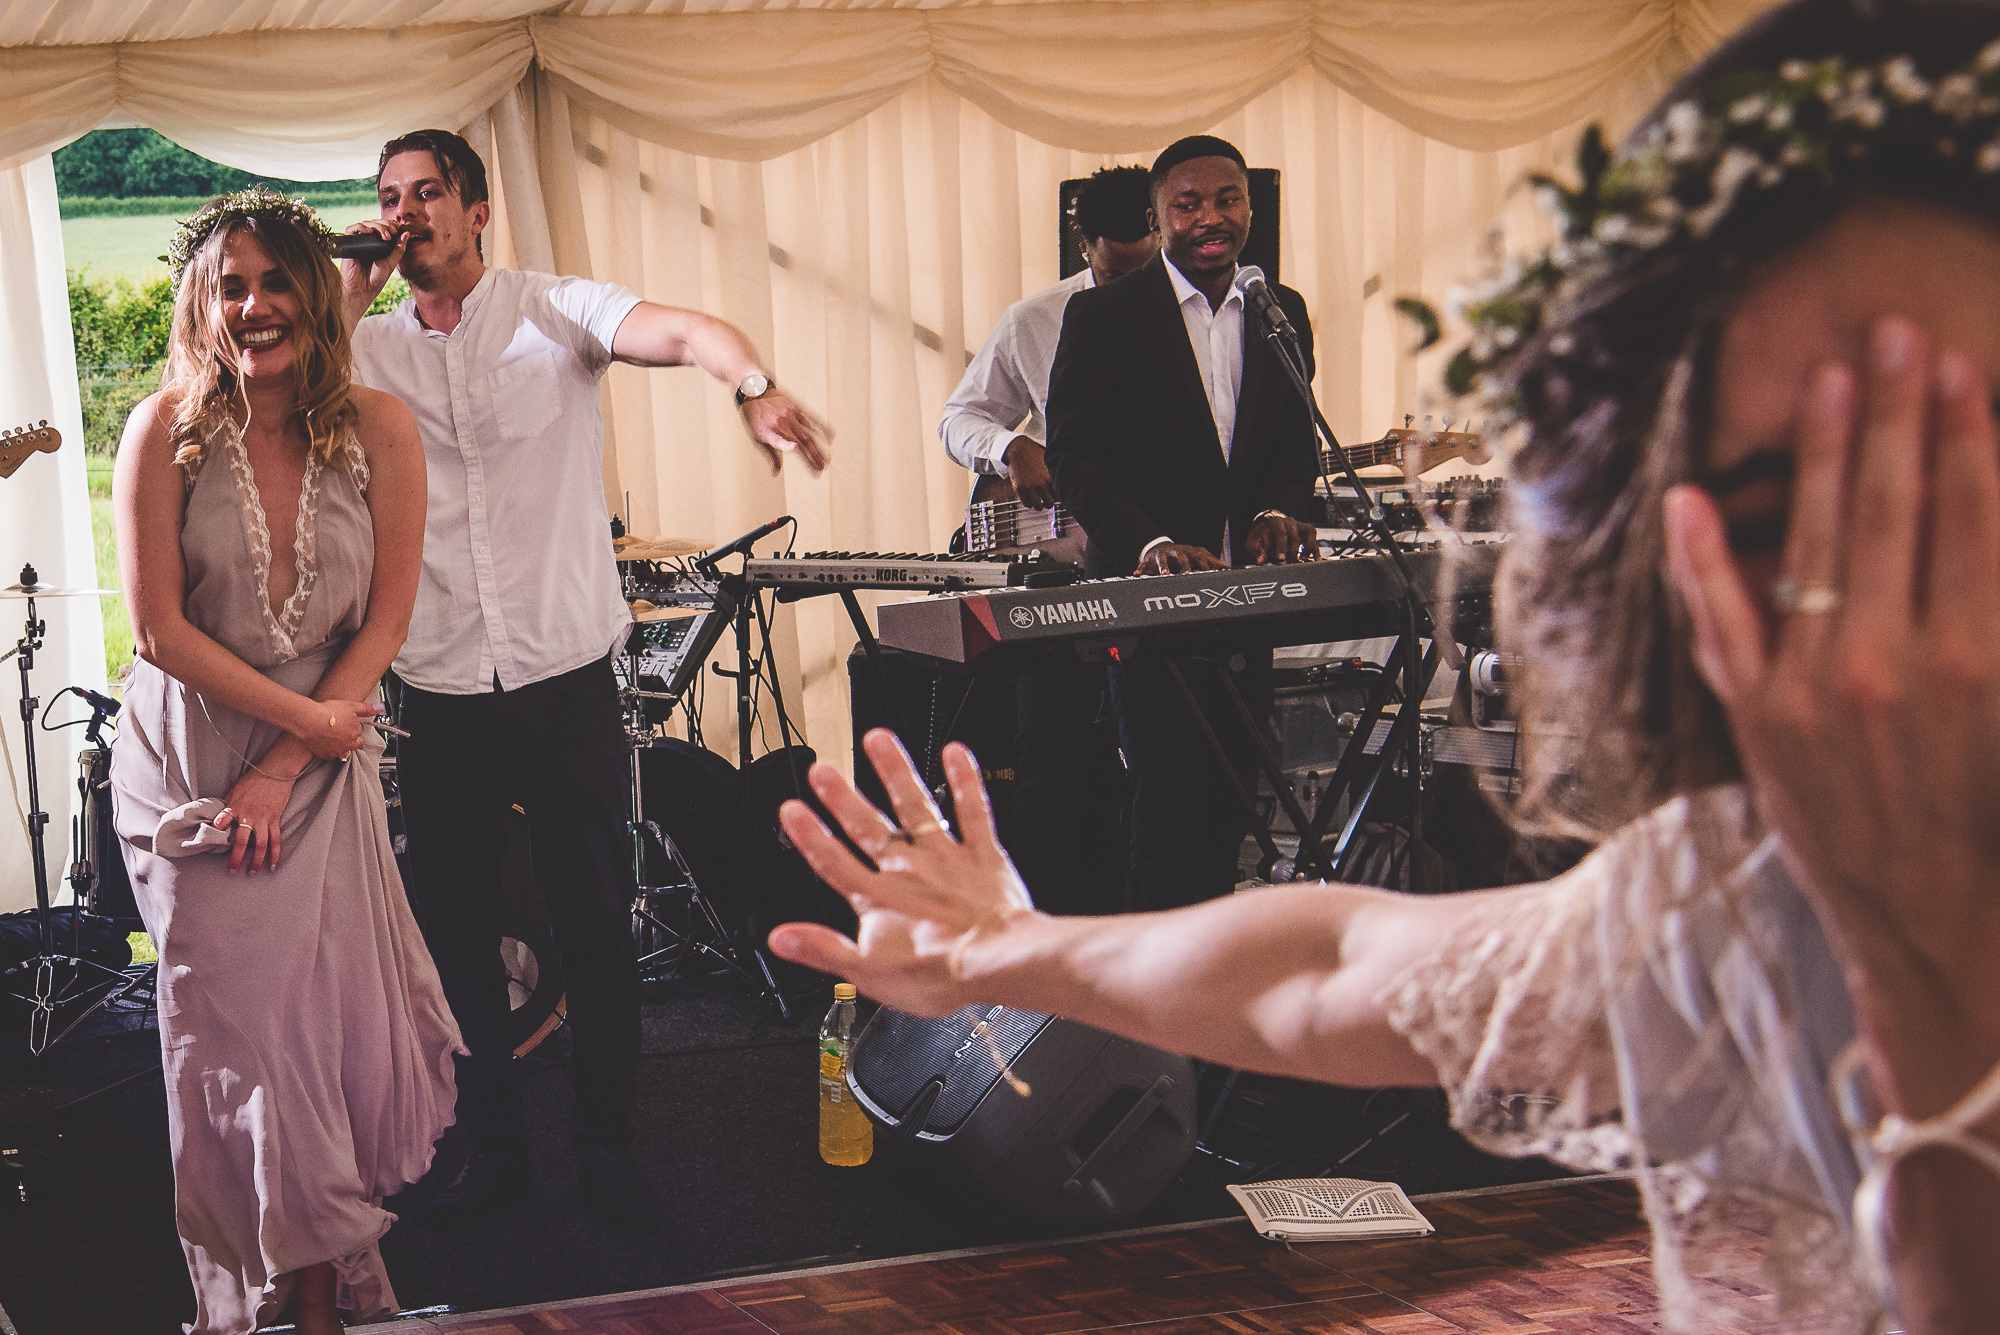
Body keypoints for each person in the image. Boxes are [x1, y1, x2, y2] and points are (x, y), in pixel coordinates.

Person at [768, 3, 2000, 1331]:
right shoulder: (1721, 908)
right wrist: (1025, 954)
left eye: (1960, 470)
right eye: (1775, 509)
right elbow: (1332, 959)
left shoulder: (1277, 315)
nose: (1884, 624)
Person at [336, 129, 831, 1234]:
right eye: (387, 198)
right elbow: (272, 393)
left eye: (425, 194)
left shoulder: (554, 308)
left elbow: (687, 327)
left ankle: (605, 1150)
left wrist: (749, 385)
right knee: (457, 934)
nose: (405, 211)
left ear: (475, 212)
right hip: (439, 686)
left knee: (595, 922)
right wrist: (349, 287)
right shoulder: (367, 353)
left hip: (562, 677)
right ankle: (492, 1153)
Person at [108, 187, 457, 1335]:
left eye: (274, 282)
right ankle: (259, 1303)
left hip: (317, 766)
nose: (255, 307)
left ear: (315, 290)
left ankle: (315, 1312)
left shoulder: (383, 428)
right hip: (194, 771)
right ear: (202, 309)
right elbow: (158, 629)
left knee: (314, 1038)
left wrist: (298, 754)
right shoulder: (161, 430)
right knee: (241, 1035)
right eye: (230, 288)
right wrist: (294, 737)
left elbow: (388, 616)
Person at [1044, 135, 1321, 912]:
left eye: (1227, 199)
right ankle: (1148, 1023)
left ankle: (1211, 1005)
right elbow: (1075, 457)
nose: (1211, 218)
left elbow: (1293, 443)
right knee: (1166, 820)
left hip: (1246, 603)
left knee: (1230, 816)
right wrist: (1152, 543)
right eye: (1188, 204)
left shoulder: (1279, 309)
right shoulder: (1102, 315)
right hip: (1149, 606)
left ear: (1249, 207)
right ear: (1158, 217)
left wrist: (1278, 510)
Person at [939, 165, 1157, 916]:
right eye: (1114, 268)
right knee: (1051, 755)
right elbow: (957, 419)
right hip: (1059, 573)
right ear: (1085, 245)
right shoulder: (1035, 319)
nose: (1131, 283)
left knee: (1158, 759)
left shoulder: (1206, 317)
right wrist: (1012, 451)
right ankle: (1030, 934)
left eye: (1147, 263)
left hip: (1158, 571)